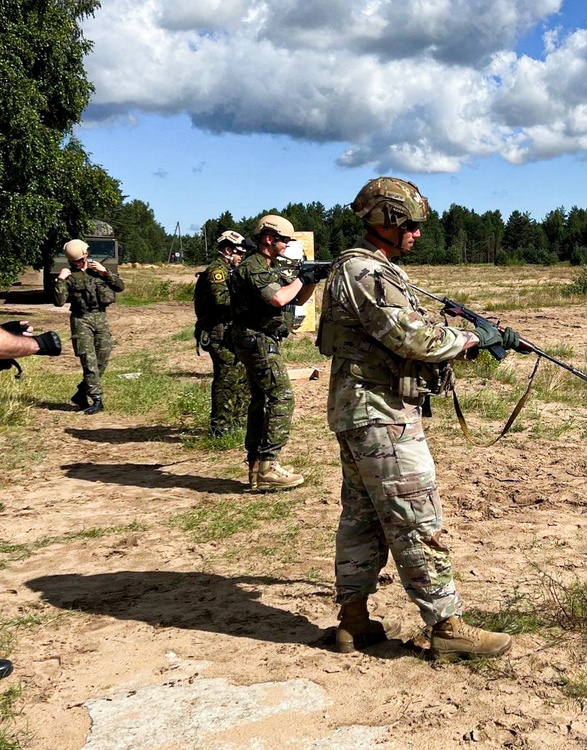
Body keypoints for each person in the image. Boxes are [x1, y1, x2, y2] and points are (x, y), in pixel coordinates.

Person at [318, 177, 521, 658]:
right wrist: (471, 339)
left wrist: (473, 348)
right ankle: (447, 626)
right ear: (386, 222)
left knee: (364, 518)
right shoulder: (364, 272)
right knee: (415, 516)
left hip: (368, 411)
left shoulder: (375, 270)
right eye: (410, 225)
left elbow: (401, 344)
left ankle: (353, 620)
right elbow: (412, 337)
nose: (417, 234)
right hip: (379, 415)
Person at [229, 215, 322, 491]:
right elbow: (279, 298)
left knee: (261, 399)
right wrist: (300, 277)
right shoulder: (253, 267)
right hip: (256, 339)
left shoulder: (267, 266)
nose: (286, 245)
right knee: (281, 396)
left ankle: (257, 466)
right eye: (283, 240)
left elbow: (297, 297)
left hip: (260, 339)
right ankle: (268, 465)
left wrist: (311, 280)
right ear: (269, 239)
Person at [53, 239, 125, 414]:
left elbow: (120, 287)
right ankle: (97, 398)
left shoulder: (97, 271)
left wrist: (105, 272)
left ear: (86, 254)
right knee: (89, 360)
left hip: (100, 317)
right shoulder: (69, 276)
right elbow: (59, 301)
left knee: (103, 357)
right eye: (73, 261)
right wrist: (60, 280)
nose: (76, 263)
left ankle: (80, 392)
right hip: (81, 319)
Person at [194, 230, 250, 437]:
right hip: (218, 333)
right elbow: (221, 301)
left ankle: (237, 421)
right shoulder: (217, 272)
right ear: (228, 250)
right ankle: (221, 426)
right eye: (239, 254)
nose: (241, 258)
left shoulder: (228, 271)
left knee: (240, 377)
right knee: (226, 380)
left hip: (228, 332)